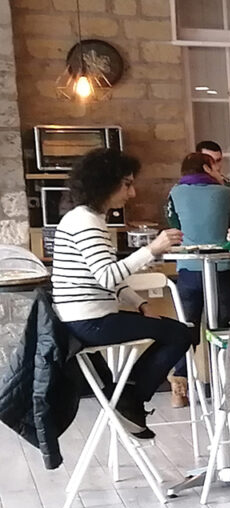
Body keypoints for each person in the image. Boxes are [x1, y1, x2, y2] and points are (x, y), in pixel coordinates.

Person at [51, 148, 190, 438]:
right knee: (181, 333)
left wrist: (139, 304)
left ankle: (127, 396)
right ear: (104, 183)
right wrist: (152, 249)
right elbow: (107, 276)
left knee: (174, 331)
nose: (133, 192)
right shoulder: (87, 223)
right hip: (91, 322)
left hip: (84, 319)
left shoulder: (84, 218)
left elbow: (107, 276)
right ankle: (129, 398)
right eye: (127, 184)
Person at [164, 152, 230, 408]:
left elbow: (172, 222)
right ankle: (227, 386)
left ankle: (180, 389)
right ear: (207, 167)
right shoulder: (224, 192)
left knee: (187, 329)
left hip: (188, 267)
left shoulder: (175, 192)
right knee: (225, 329)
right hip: (222, 268)